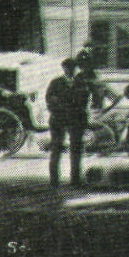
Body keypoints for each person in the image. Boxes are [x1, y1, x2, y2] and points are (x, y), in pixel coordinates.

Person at [46, 58, 91, 188]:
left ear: (75, 69)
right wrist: (60, 110)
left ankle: (75, 179)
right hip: (59, 119)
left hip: (76, 119)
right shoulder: (56, 83)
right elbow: (50, 100)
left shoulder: (81, 83)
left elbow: (85, 100)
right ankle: (54, 180)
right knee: (56, 148)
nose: (70, 70)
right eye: (67, 68)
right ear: (63, 68)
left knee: (76, 149)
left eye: (72, 68)